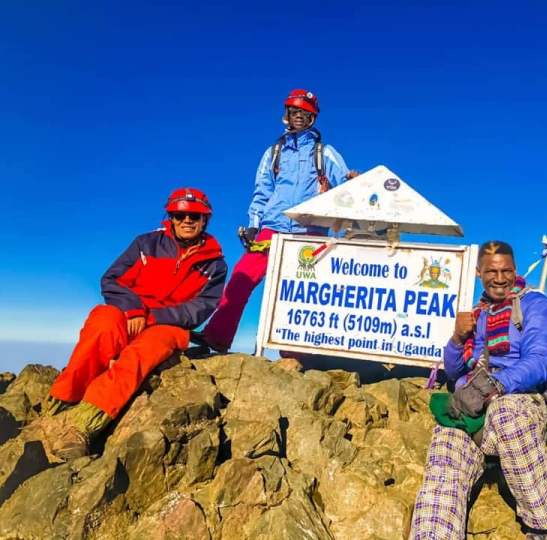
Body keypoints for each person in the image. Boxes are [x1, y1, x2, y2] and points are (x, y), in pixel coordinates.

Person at [31, 188, 227, 461]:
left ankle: (83, 424)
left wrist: (154, 318)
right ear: (170, 216)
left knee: (143, 352)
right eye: (179, 214)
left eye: (195, 215)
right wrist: (133, 309)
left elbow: (201, 307)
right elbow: (112, 279)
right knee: (102, 323)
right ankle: (62, 400)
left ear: (205, 219)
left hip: (167, 324)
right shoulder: (146, 244)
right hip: (129, 312)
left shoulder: (214, 264)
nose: (187, 220)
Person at [410, 241, 547, 540]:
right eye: (491, 271)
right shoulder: (478, 314)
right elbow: (455, 372)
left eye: (506, 270)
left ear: (515, 271)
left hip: (521, 404)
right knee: (446, 444)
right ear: (479, 272)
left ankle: (544, 520)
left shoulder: (536, 305)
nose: (500, 278)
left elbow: (540, 362)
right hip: (476, 410)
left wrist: (494, 385)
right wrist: (457, 339)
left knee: (506, 414)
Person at [192, 88, 356, 353]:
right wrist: (255, 225)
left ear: (313, 117)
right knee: (242, 277)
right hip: (272, 229)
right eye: (294, 111)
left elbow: (344, 189)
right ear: (286, 115)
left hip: (309, 232)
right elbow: (262, 191)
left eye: (305, 112)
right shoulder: (274, 153)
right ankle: (217, 336)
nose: (298, 117)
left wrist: (354, 183)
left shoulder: (324, 153)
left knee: (299, 293)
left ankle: (293, 354)